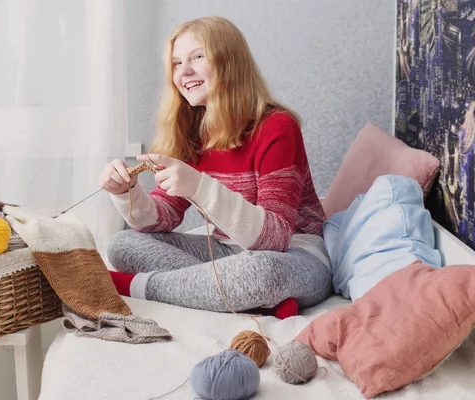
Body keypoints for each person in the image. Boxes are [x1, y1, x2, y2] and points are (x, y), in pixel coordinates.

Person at [98, 16, 332, 319]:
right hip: (226, 254)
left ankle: (135, 287)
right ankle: (250, 301)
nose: (185, 71)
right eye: (176, 63)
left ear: (229, 62)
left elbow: (276, 239)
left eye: (197, 57)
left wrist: (198, 186)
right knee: (122, 244)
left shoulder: (277, 127)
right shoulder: (193, 132)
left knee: (261, 273)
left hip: (295, 255)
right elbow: (164, 216)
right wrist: (127, 193)